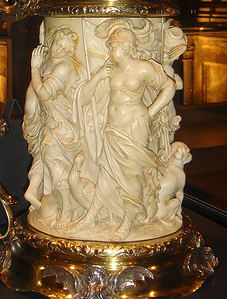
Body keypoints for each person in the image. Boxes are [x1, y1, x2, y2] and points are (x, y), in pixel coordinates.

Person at [72, 27, 177, 240]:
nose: (110, 51)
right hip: (112, 127)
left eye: (113, 47)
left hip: (133, 126)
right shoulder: (110, 69)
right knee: (107, 173)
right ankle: (90, 217)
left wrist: (150, 111)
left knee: (131, 174)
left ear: (126, 47)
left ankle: (127, 222)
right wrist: (98, 77)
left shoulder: (143, 68)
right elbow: (84, 98)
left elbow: (169, 86)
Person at [22, 26, 82, 229]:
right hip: (49, 120)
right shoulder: (49, 56)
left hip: (62, 124)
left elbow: (43, 93)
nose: (58, 49)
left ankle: (67, 209)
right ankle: (36, 192)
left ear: (70, 51)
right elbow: (43, 33)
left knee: (54, 160)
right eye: (57, 43)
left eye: (64, 48)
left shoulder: (64, 67)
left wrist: (34, 68)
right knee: (44, 154)